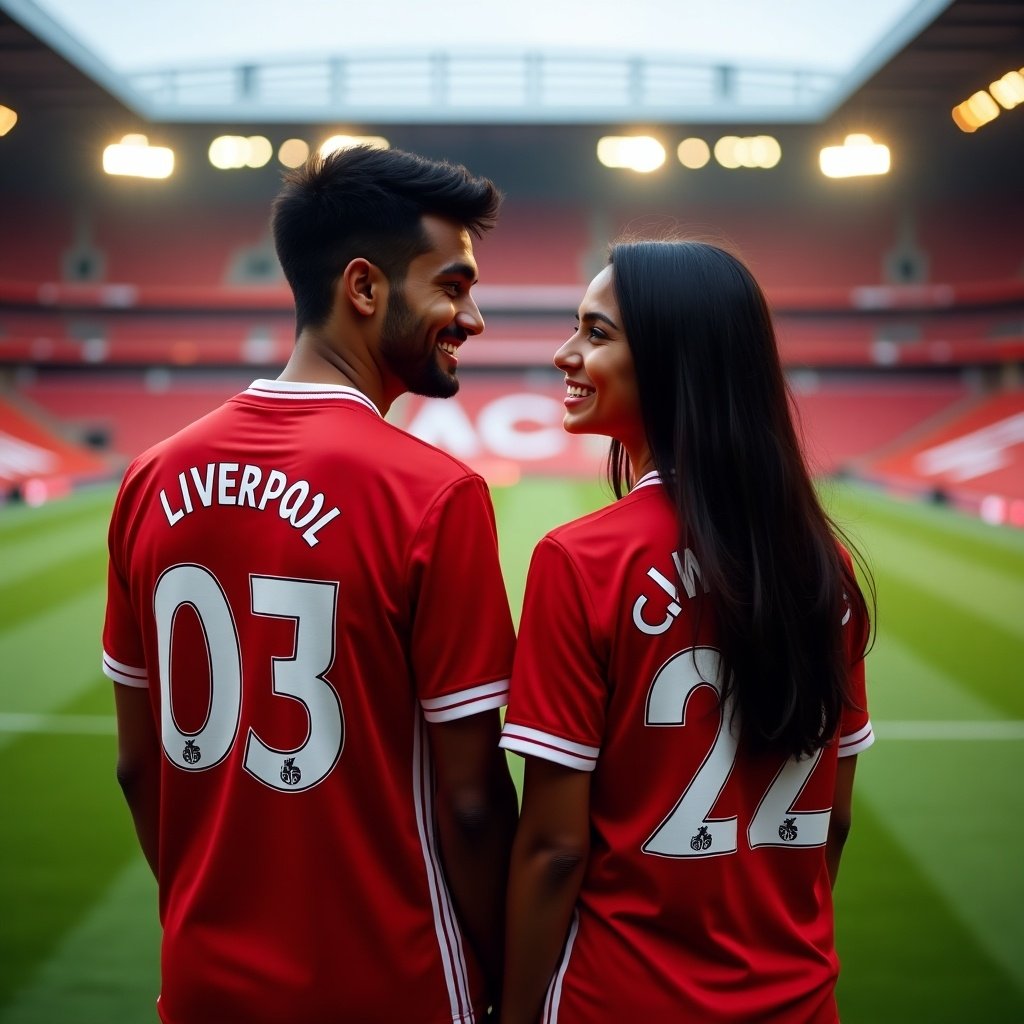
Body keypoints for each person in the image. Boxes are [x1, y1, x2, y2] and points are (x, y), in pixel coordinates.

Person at [102, 146, 518, 1024]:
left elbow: (140, 767)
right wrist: (508, 980)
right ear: (364, 289)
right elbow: (472, 801)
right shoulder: (435, 496)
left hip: (205, 986)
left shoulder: (148, 479)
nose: (472, 317)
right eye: (452, 285)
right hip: (392, 989)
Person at [499, 239, 874, 1023]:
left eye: (597, 334)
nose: (566, 354)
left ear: (678, 359)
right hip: (799, 1000)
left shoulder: (581, 560)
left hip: (623, 1000)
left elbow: (555, 848)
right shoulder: (825, 567)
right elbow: (832, 820)